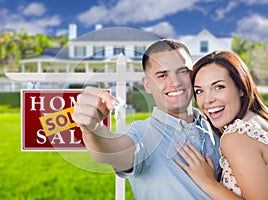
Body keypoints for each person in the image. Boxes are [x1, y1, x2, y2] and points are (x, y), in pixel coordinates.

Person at [72, 39, 221, 199]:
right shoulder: (140, 133)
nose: (175, 82)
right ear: (147, 84)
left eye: (183, 71)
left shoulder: (215, 125)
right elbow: (111, 151)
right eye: (162, 75)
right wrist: (92, 129)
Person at [175, 50, 268, 200]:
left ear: (241, 88)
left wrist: (208, 183)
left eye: (219, 87)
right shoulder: (258, 121)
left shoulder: (237, 137)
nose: (207, 100)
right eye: (199, 91)